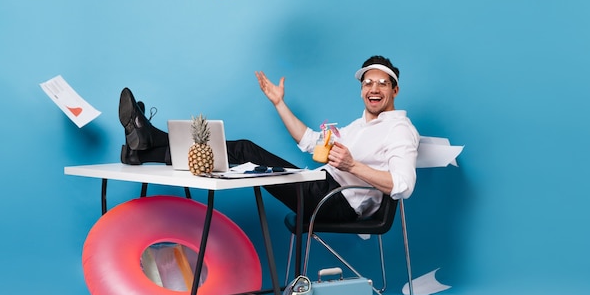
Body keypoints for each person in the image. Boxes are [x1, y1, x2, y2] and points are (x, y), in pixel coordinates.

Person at [119, 55, 419, 224]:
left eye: (382, 83)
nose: (374, 88)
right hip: (321, 186)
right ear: (361, 90)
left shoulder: (399, 129)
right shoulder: (359, 126)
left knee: (247, 150)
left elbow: (403, 186)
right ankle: (143, 151)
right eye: (368, 83)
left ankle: (150, 140)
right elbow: (310, 142)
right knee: (247, 154)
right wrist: (279, 103)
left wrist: (352, 165)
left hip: (335, 202)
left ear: (395, 91)